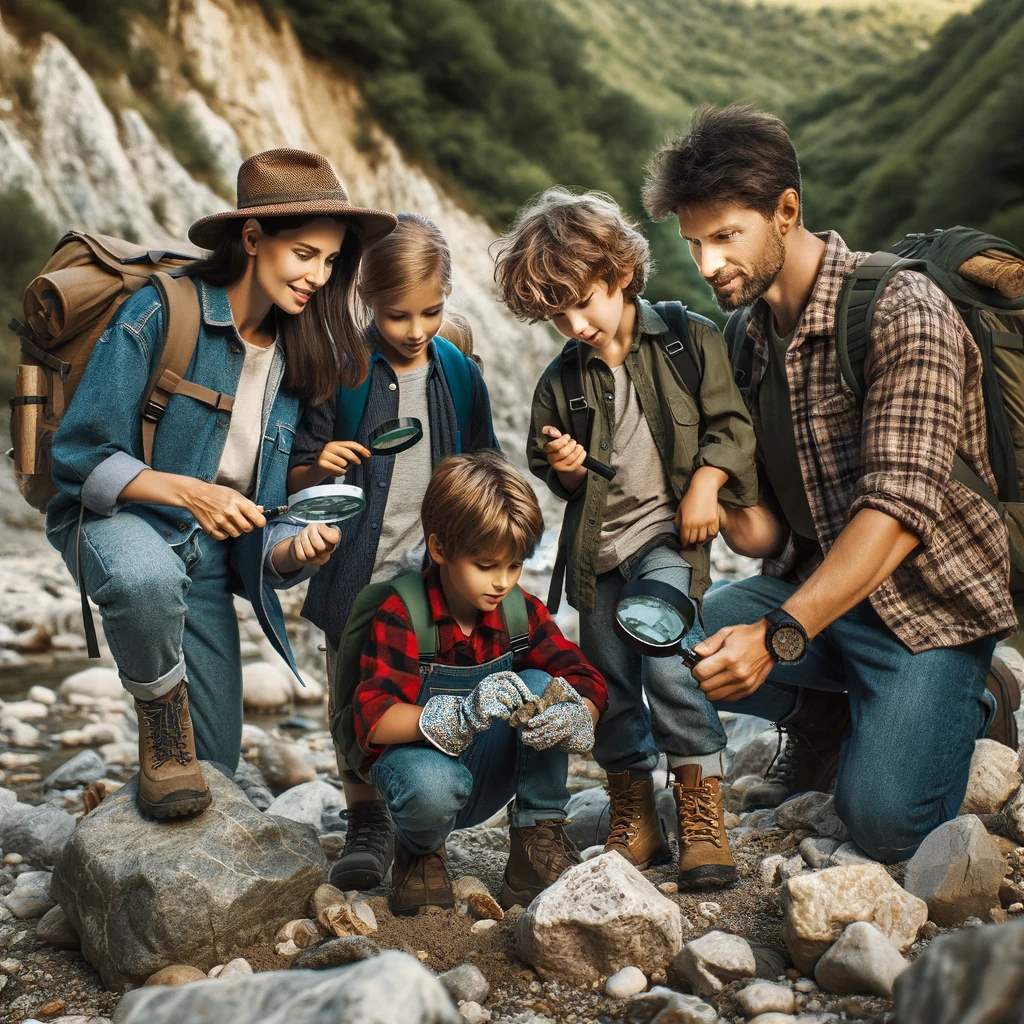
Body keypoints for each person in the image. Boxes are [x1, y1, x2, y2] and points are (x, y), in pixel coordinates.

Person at [642, 104, 1018, 861]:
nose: (708, 264)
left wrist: (777, 636)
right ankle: (825, 709)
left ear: (786, 212)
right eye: (693, 244)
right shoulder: (747, 340)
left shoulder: (902, 310)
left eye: (725, 237)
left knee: (884, 824)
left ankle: (982, 699)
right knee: (668, 635)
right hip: (819, 593)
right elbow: (771, 534)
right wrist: (700, 471)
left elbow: (899, 512)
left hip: (929, 606)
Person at [46, 148, 397, 820]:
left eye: (329, 262)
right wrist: (189, 493)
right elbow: (81, 457)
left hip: (208, 556)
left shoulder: (298, 348)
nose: (318, 277)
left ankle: (113, 799)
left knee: (217, 768)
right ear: (252, 237)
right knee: (145, 585)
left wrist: (291, 549)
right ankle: (160, 728)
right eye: (304, 255)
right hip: (125, 524)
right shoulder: (159, 312)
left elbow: (261, 507)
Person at [494, 188, 758, 889]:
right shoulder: (562, 382)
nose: (574, 323)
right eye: (556, 314)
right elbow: (545, 465)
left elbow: (733, 428)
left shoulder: (687, 339)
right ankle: (635, 817)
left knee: (668, 662)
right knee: (608, 686)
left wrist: (706, 483)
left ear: (619, 275)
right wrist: (566, 467)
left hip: (666, 542)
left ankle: (702, 817)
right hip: (595, 557)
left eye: (584, 301)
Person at [288, 213, 498, 892]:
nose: (414, 329)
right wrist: (319, 464)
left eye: (431, 312)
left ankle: (420, 831)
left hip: (432, 577)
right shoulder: (340, 369)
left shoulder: (459, 371)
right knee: (351, 700)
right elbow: (290, 468)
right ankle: (365, 820)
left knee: (431, 692)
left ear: (447, 295)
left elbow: (484, 456)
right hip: (355, 573)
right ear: (366, 301)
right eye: (397, 314)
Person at [349, 451, 607, 914]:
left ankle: (535, 837)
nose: (503, 582)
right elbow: (375, 719)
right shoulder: (402, 611)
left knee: (542, 682)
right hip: (420, 776)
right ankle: (420, 850)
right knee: (430, 788)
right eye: (486, 566)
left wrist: (578, 714)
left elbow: (584, 676)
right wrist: (463, 712)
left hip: (491, 769)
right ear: (440, 548)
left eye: (514, 566)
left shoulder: (519, 611)